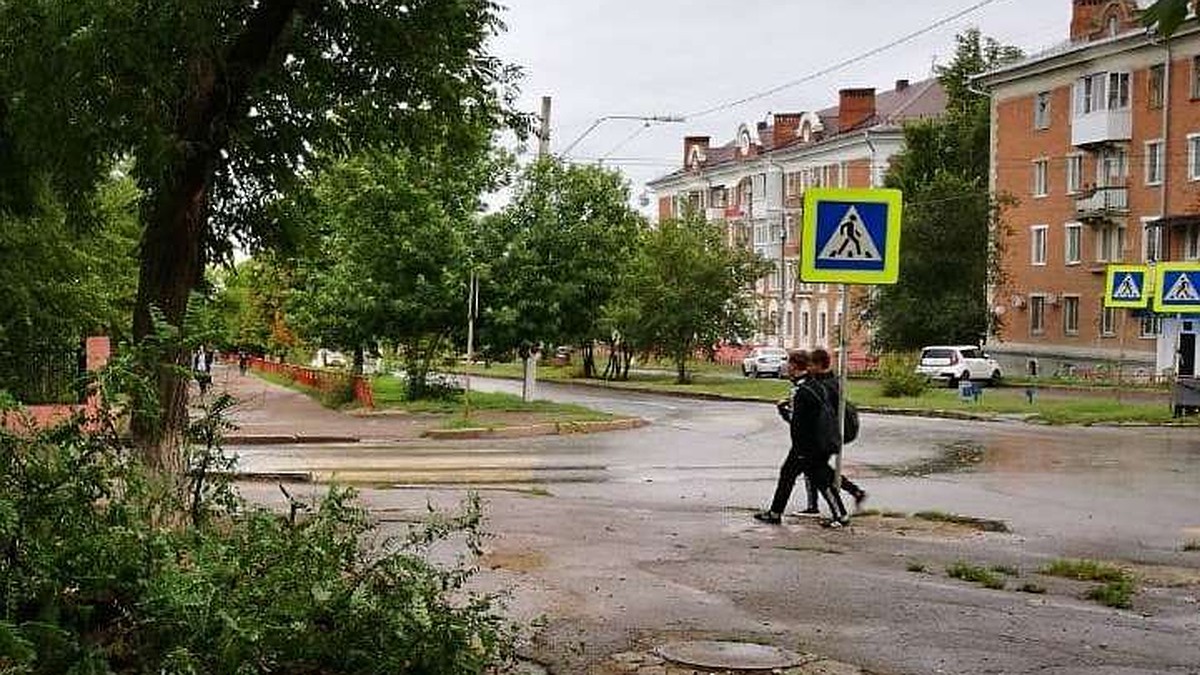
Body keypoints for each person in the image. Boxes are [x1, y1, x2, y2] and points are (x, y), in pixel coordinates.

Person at [755, 350, 850, 527]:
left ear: (794, 366)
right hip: (815, 443)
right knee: (789, 474)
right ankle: (775, 512)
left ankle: (841, 516)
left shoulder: (802, 390)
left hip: (808, 446)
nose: (787, 368)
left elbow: (798, 423)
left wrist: (783, 411)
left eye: (789, 364)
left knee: (821, 480)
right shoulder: (813, 385)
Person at [809, 348, 868, 513]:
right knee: (817, 468)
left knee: (818, 470)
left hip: (827, 434)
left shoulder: (825, 385)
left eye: (811, 364)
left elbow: (825, 410)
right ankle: (814, 504)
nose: (808, 368)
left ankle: (846, 498)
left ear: (819, 364)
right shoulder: (832, 381)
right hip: (828, 433)